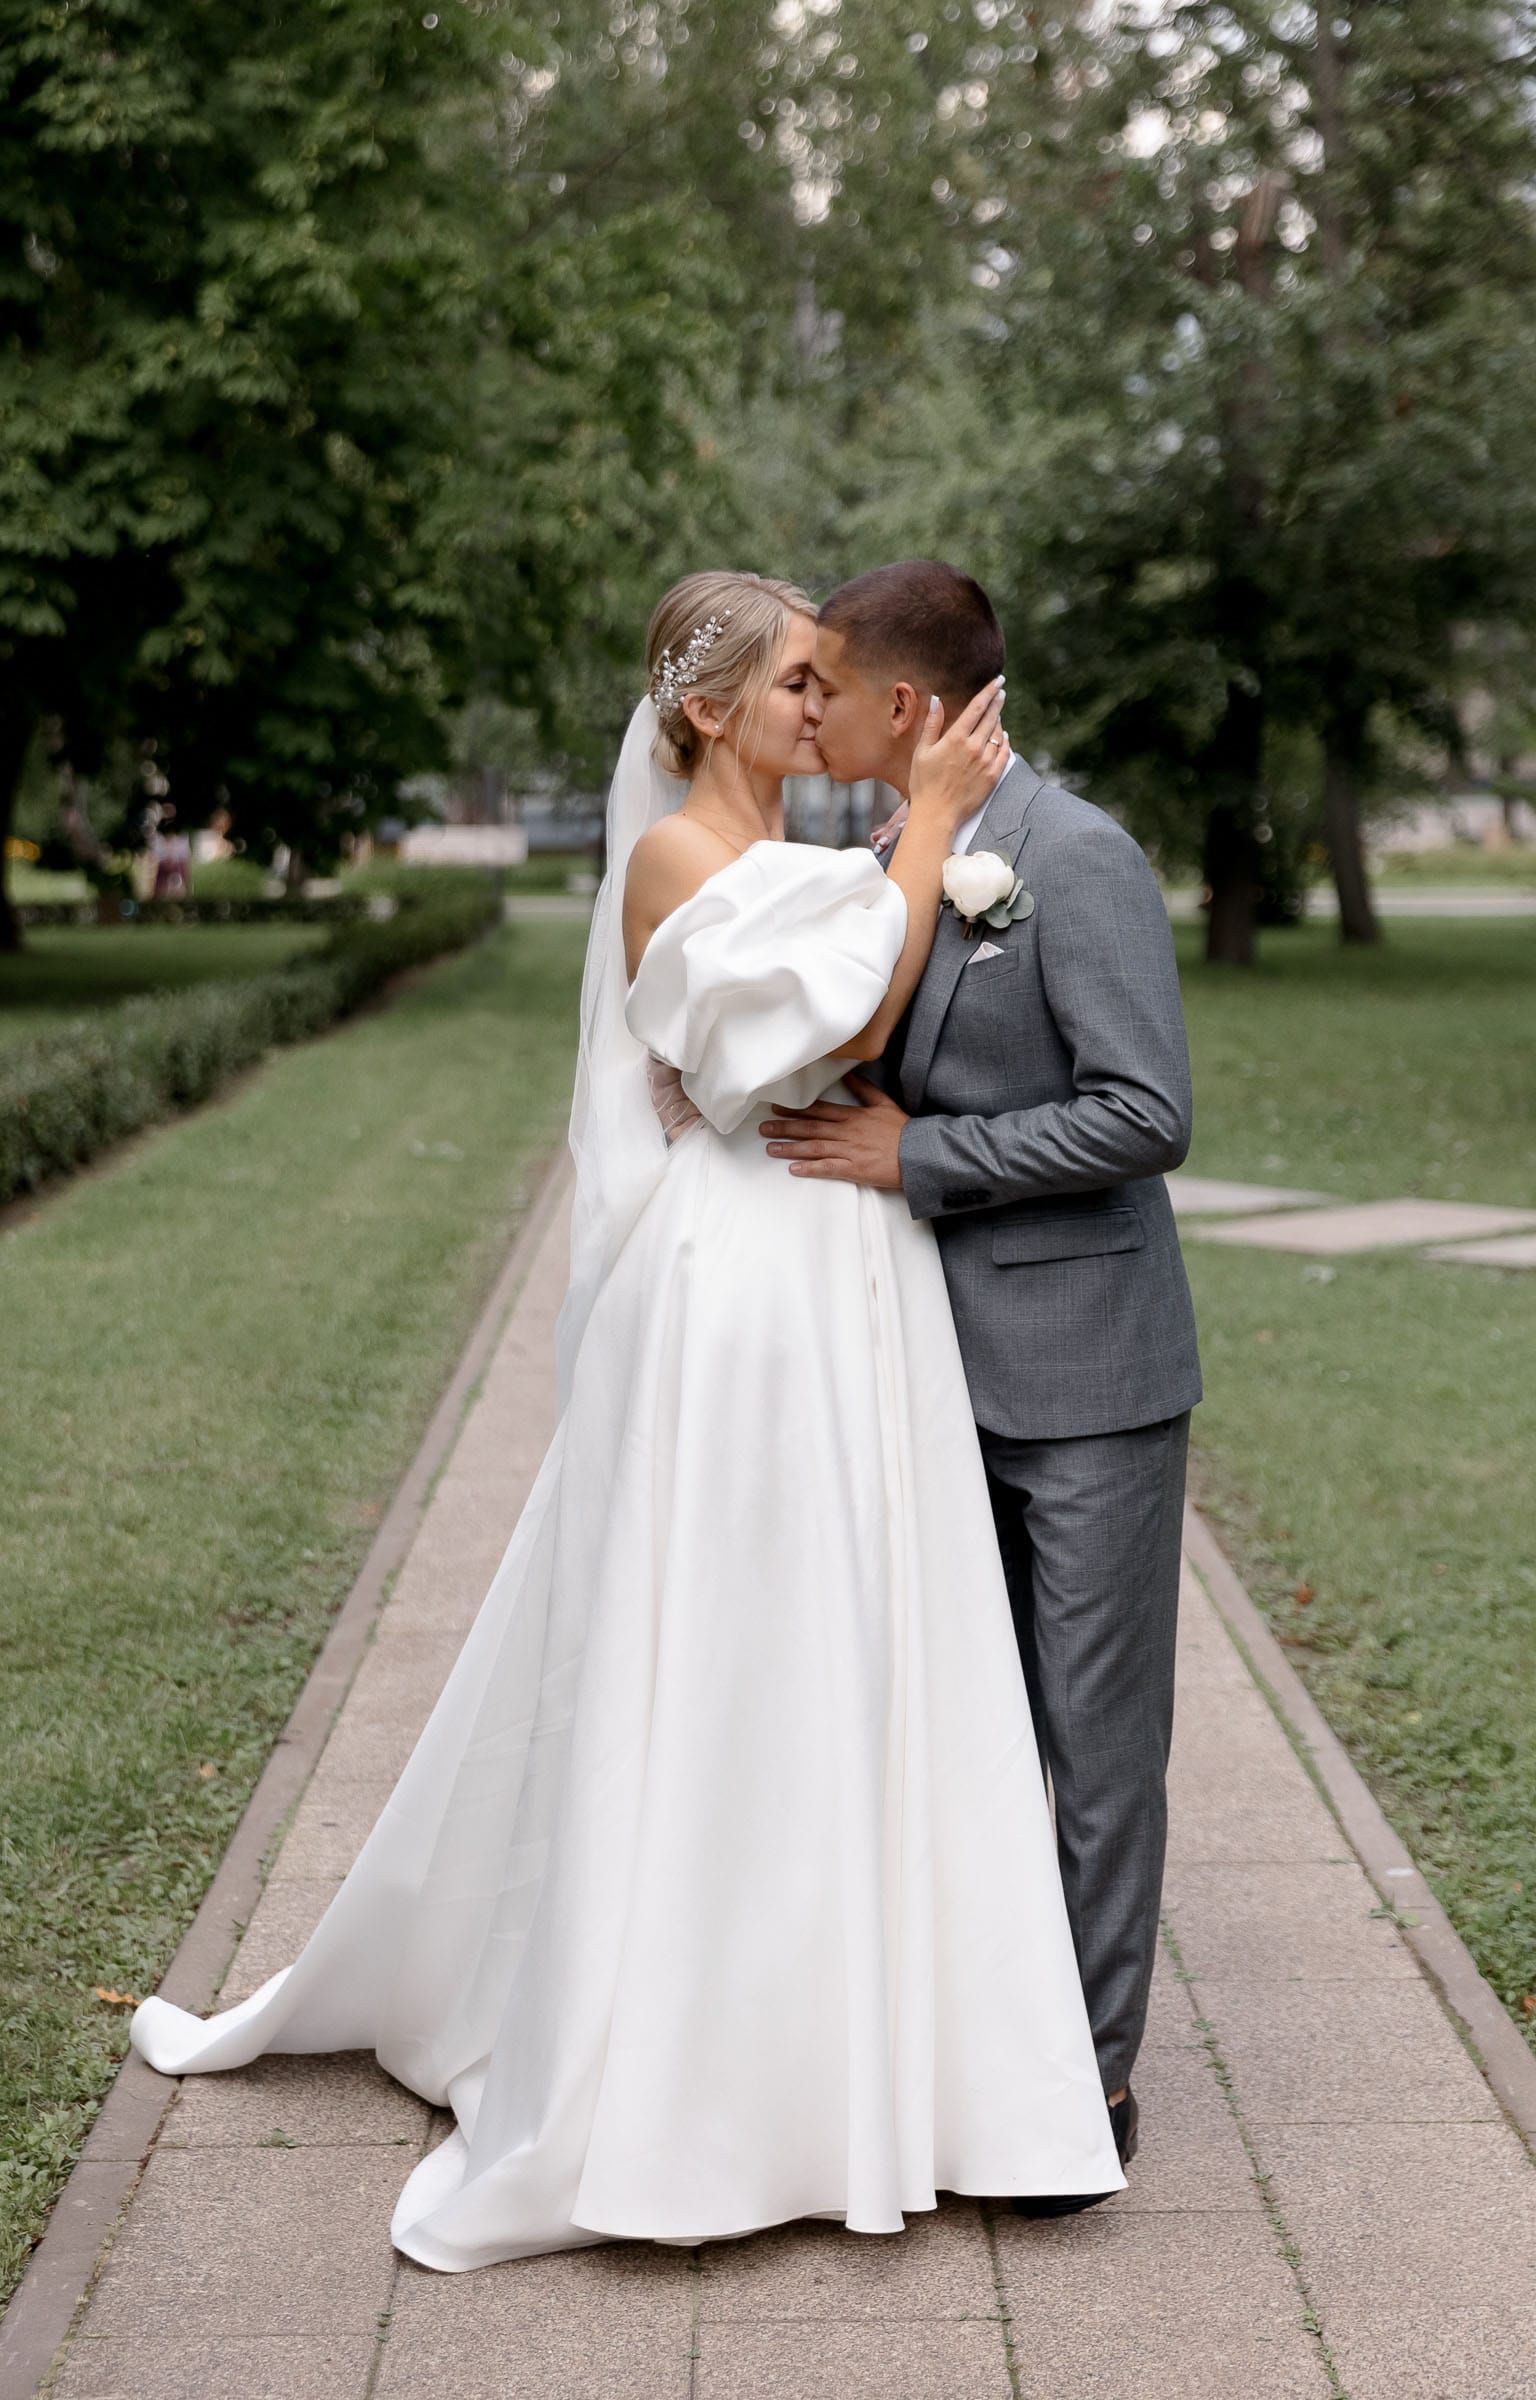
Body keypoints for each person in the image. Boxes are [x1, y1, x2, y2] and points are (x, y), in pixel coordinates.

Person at [128, 569, 1124, 2271]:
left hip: (855, 1280)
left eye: (832, 685)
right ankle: (688, 2066)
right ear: (709, 708)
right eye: (803, 685)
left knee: (859, 1642)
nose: (831, 710)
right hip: (740, 1296)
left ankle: (863, 2045)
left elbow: (872, 1016)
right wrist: (930, 827)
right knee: (728, 1637)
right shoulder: (675, 856)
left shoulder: (819, 862)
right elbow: (850, 1015)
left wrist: (894, 887)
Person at [756, 561, 1202, 2208]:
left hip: (1088, 1376)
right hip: (930, 1369)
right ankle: (980, 2039)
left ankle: (1089, 2083)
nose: (814, 713)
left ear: (910, 708)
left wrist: (916, 1154)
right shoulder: (885, 855)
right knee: (965, 1720)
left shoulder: (1077, 860)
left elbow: (1143, 1113)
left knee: (1094, 1740)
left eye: (835, 688)